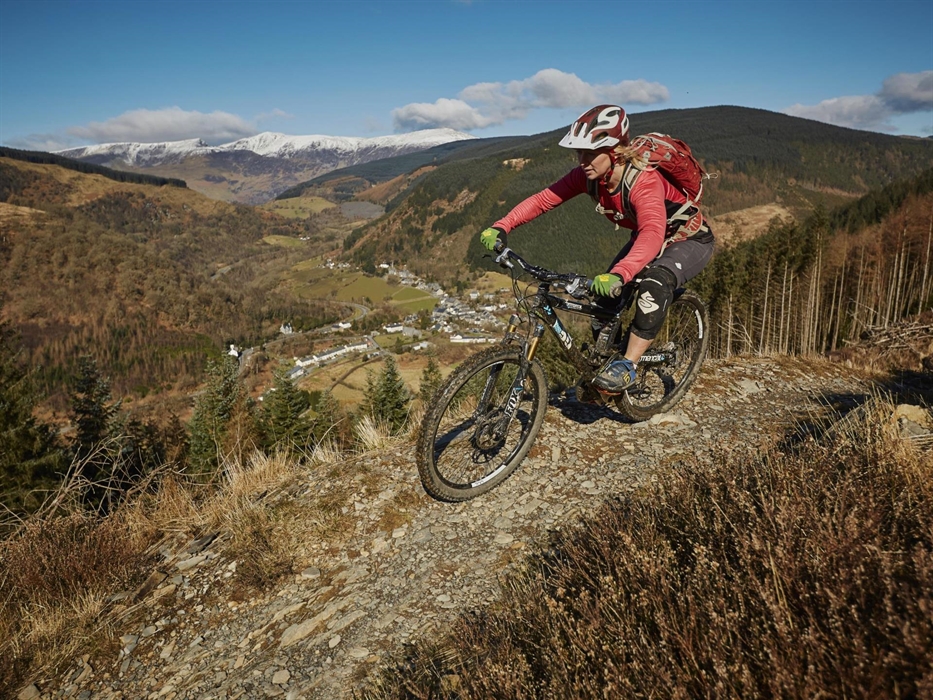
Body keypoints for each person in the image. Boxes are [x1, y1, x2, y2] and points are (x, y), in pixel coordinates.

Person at [479, 104, 715, 395]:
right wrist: (503, 225)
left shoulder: (643, 180)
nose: (582, 160)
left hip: (688, 239)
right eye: (578, 152)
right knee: (601, 304)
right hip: (645, 240)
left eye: (590, 153)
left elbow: (654, 233)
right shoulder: (588, 176)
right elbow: (544, 199)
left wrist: (621, 272)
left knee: (653, 285)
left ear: (615, 151)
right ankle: (605, 367)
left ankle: (628, 364)